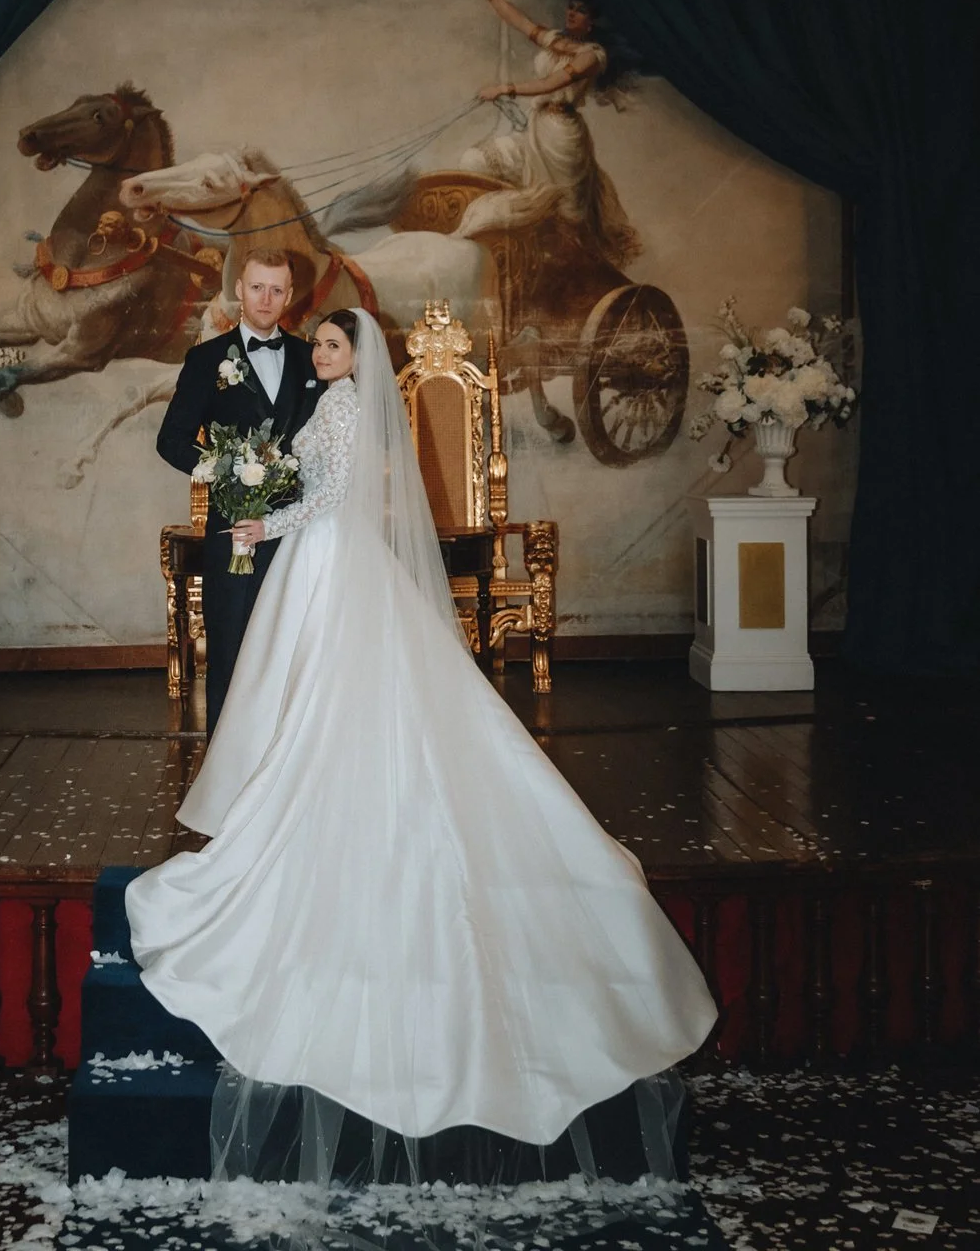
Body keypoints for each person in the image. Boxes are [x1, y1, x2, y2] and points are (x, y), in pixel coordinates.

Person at [127, 307, 717, 1183]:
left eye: (328, 345)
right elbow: (315, 487)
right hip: (332, 559)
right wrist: (265, 503)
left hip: (325, 559)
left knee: (325, 694)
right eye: (318, 346)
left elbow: (325, 498)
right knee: (330, 694)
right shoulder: (341, 405)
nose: (318, 353)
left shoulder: (340, 406)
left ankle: (322, 807)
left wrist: (262, 525)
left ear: (350, 353)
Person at [156, 249, 322, 736]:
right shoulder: (207, 359)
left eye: (276, 290)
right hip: (233, 532)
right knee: (230, 649)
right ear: (239, 291)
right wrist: (224, 470)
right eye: (257, 288)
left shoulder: (311, 356)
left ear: (290, 295)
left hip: (299, 532)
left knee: (295, 647)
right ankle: (225, 771)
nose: (266, 299)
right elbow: (170, 440)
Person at [458, 0, 641, 266]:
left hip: (563, 140)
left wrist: (505, 88)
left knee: (568, 218)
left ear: (591, 21)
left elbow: (552, 82)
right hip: (537, 129)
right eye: (570, 7)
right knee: (475, 161)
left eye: (580, 10)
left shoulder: (592, 56)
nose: (571, 13)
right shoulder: (557, 40)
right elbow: (520, 21)